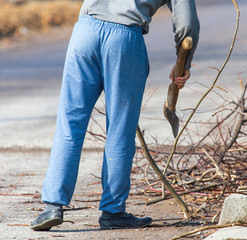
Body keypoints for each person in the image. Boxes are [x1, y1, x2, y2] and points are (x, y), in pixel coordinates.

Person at [31, 0, 199, 231]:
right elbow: (187, 23)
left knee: (70, 123)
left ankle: (52, 206)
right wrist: (184, 62)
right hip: (124, 38)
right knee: (120, 129)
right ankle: (112, 211)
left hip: (85, 31)